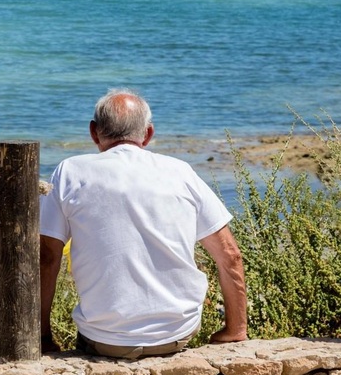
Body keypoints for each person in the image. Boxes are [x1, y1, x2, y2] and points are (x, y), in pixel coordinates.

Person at [39, 88, 248, 358]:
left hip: (104, 339)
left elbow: (46, 258)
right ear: (148, 134)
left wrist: (43, 338)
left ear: (94, 132)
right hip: (177, 334)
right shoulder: (180, 172)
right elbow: (230, 255)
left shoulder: (70, 171)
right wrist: (235, 330)